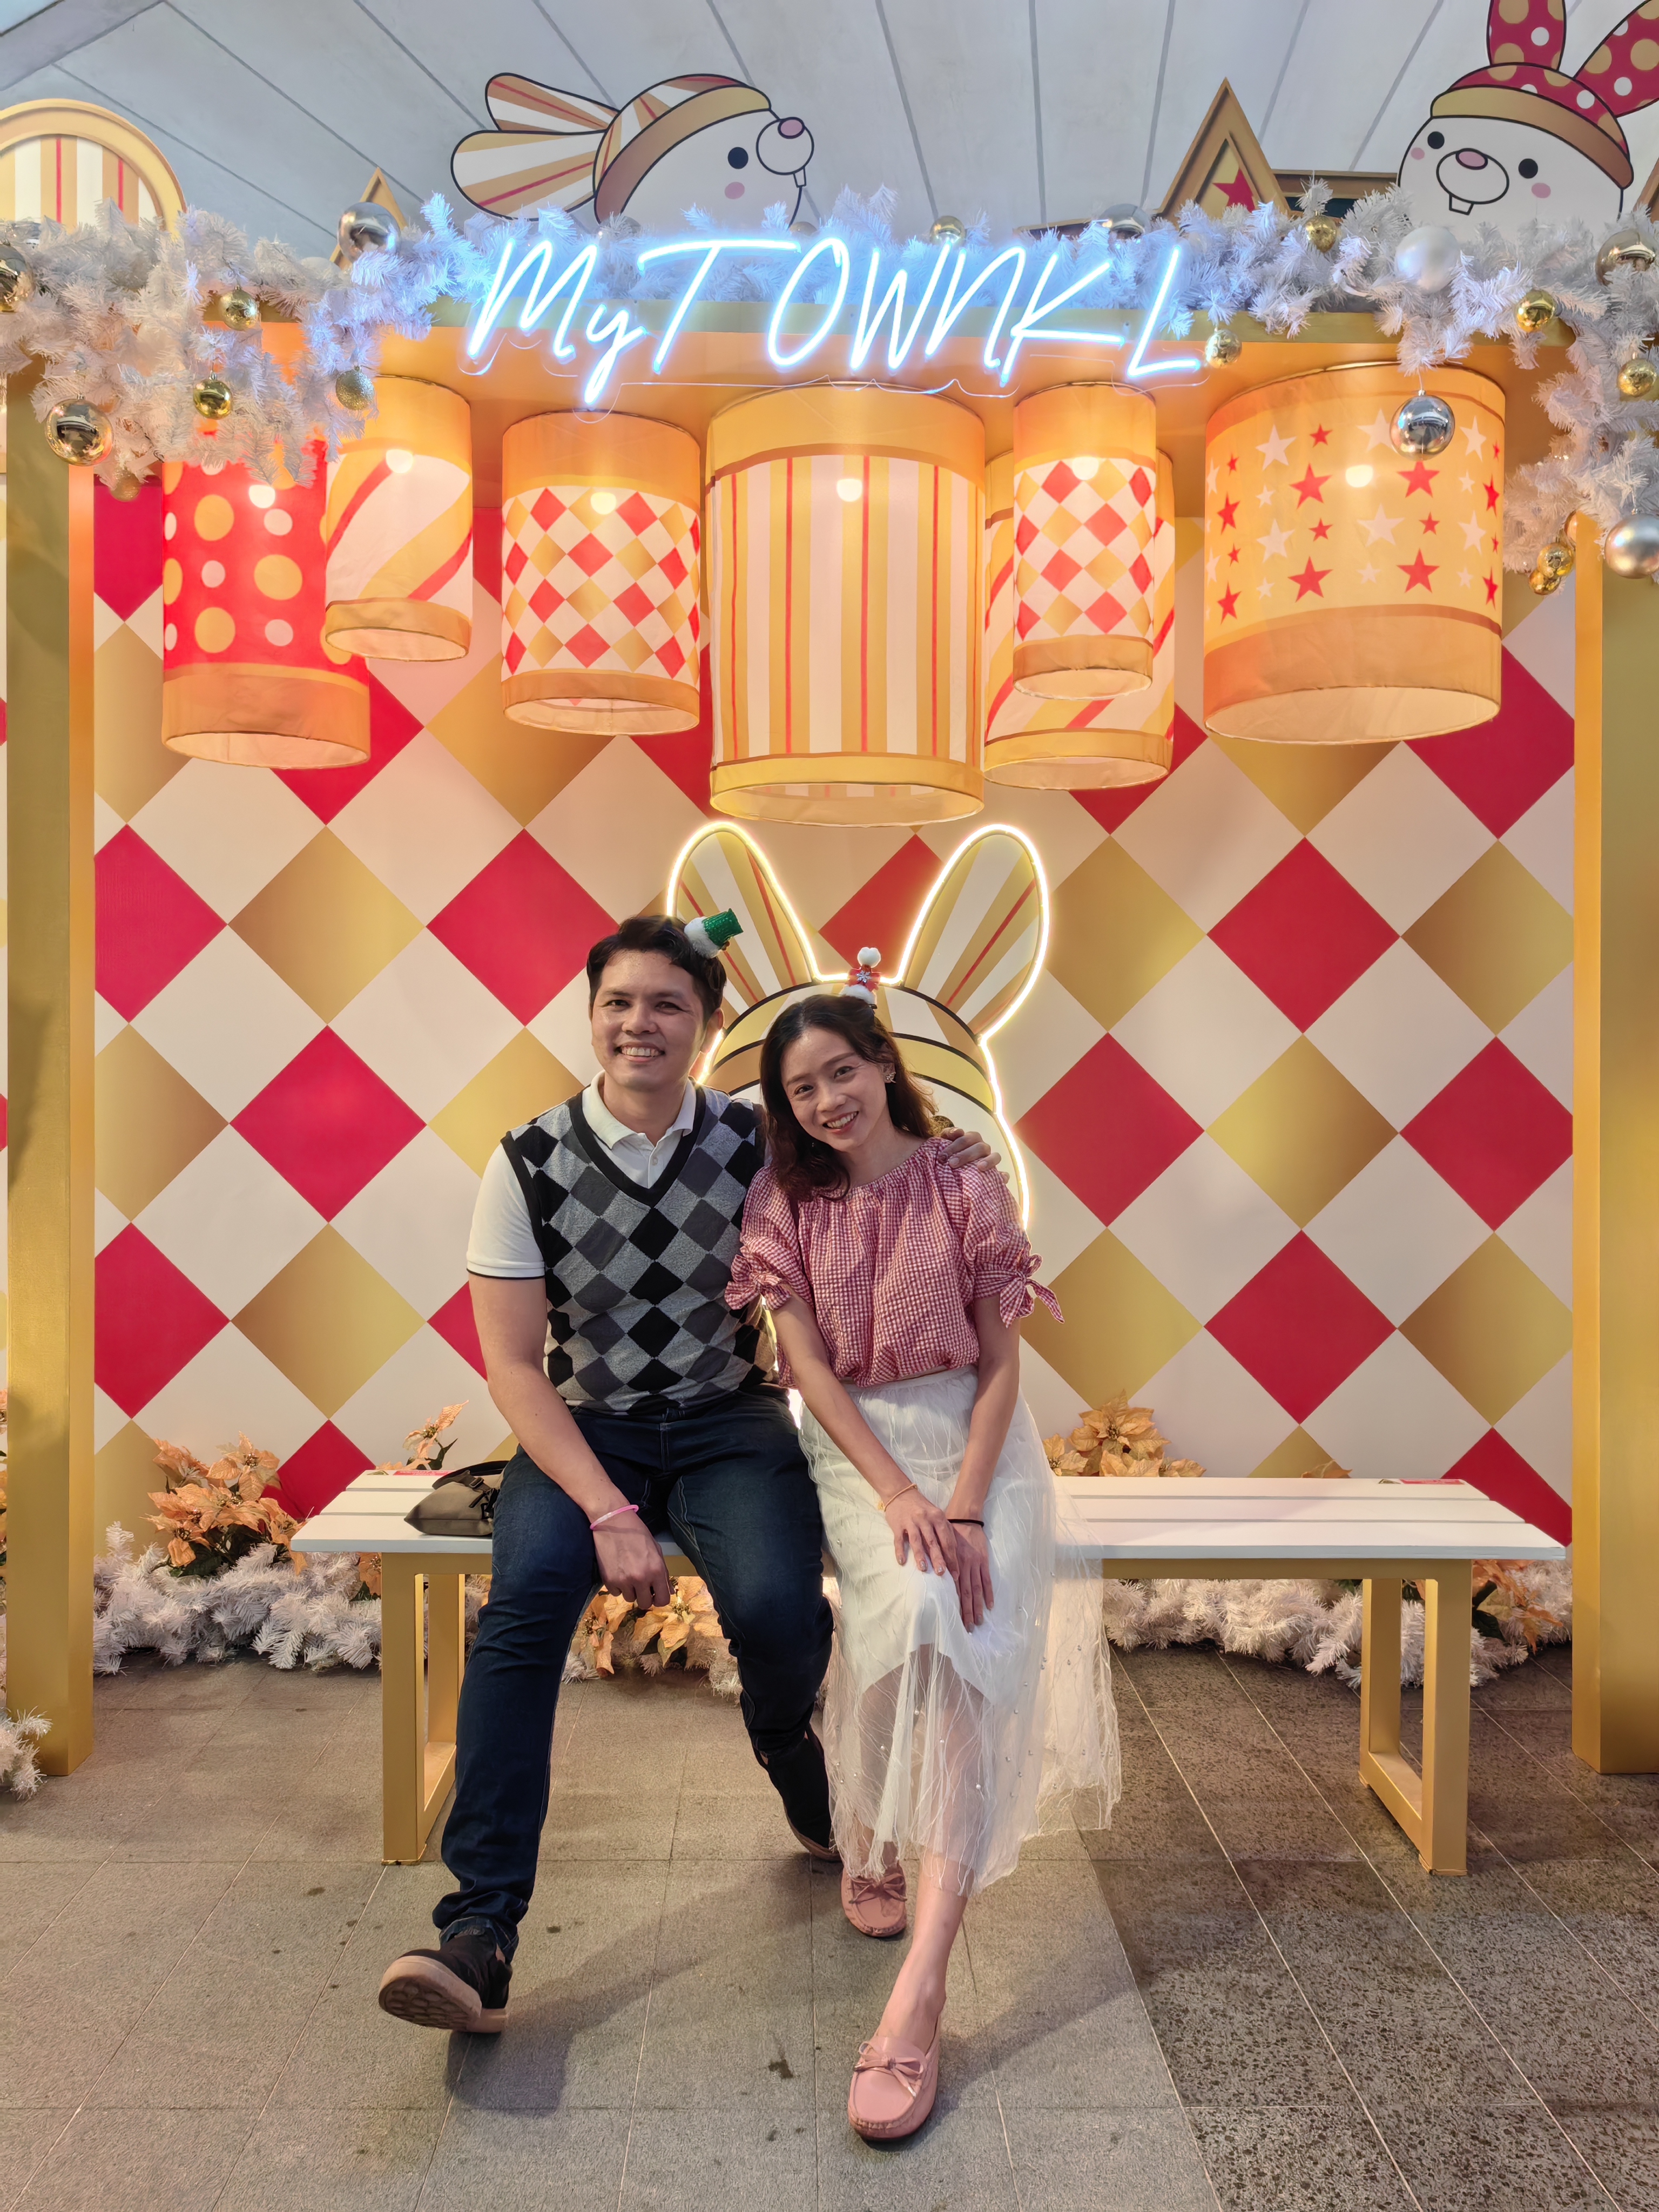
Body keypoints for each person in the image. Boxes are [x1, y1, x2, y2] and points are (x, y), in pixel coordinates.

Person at [376, 915, 997, 2036]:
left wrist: (960, 1162)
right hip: (586, 1431)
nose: (640, 1023)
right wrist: (606, 1508)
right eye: (618, 1002)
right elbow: (513, 1365)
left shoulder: (760, 1140)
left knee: (779, 1613)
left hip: (729, 1421)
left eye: (668, 1004)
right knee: (522, 1612)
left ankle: (797, 1764)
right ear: (591, 1015)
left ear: (707, 1024)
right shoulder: (526, 1161)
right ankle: (479, 1931)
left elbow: (883, 1173)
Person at [727, 990, 1119, 2142]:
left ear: (884, 1063)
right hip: (861, 1448)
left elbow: (1002, 1365)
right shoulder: (784, 1200)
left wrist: (969, 1507)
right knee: (900, 1618)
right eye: (802, 1087)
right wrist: (899, 1494)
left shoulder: (964, 1179)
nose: (827, 1100)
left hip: (980, 1448)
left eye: (842, 1071)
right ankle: (870, 1828)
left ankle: (924, 1986)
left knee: (957, 1632)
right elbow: (807, 1369)